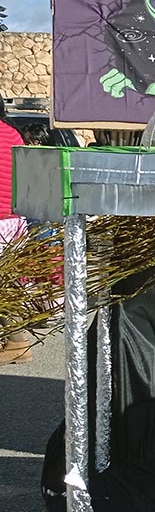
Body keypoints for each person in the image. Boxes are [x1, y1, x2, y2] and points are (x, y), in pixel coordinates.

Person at [0, 97, 31, 364]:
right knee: (7, 281)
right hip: (14, 220)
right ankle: (16, 342)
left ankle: (17, 342)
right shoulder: (12, 133)